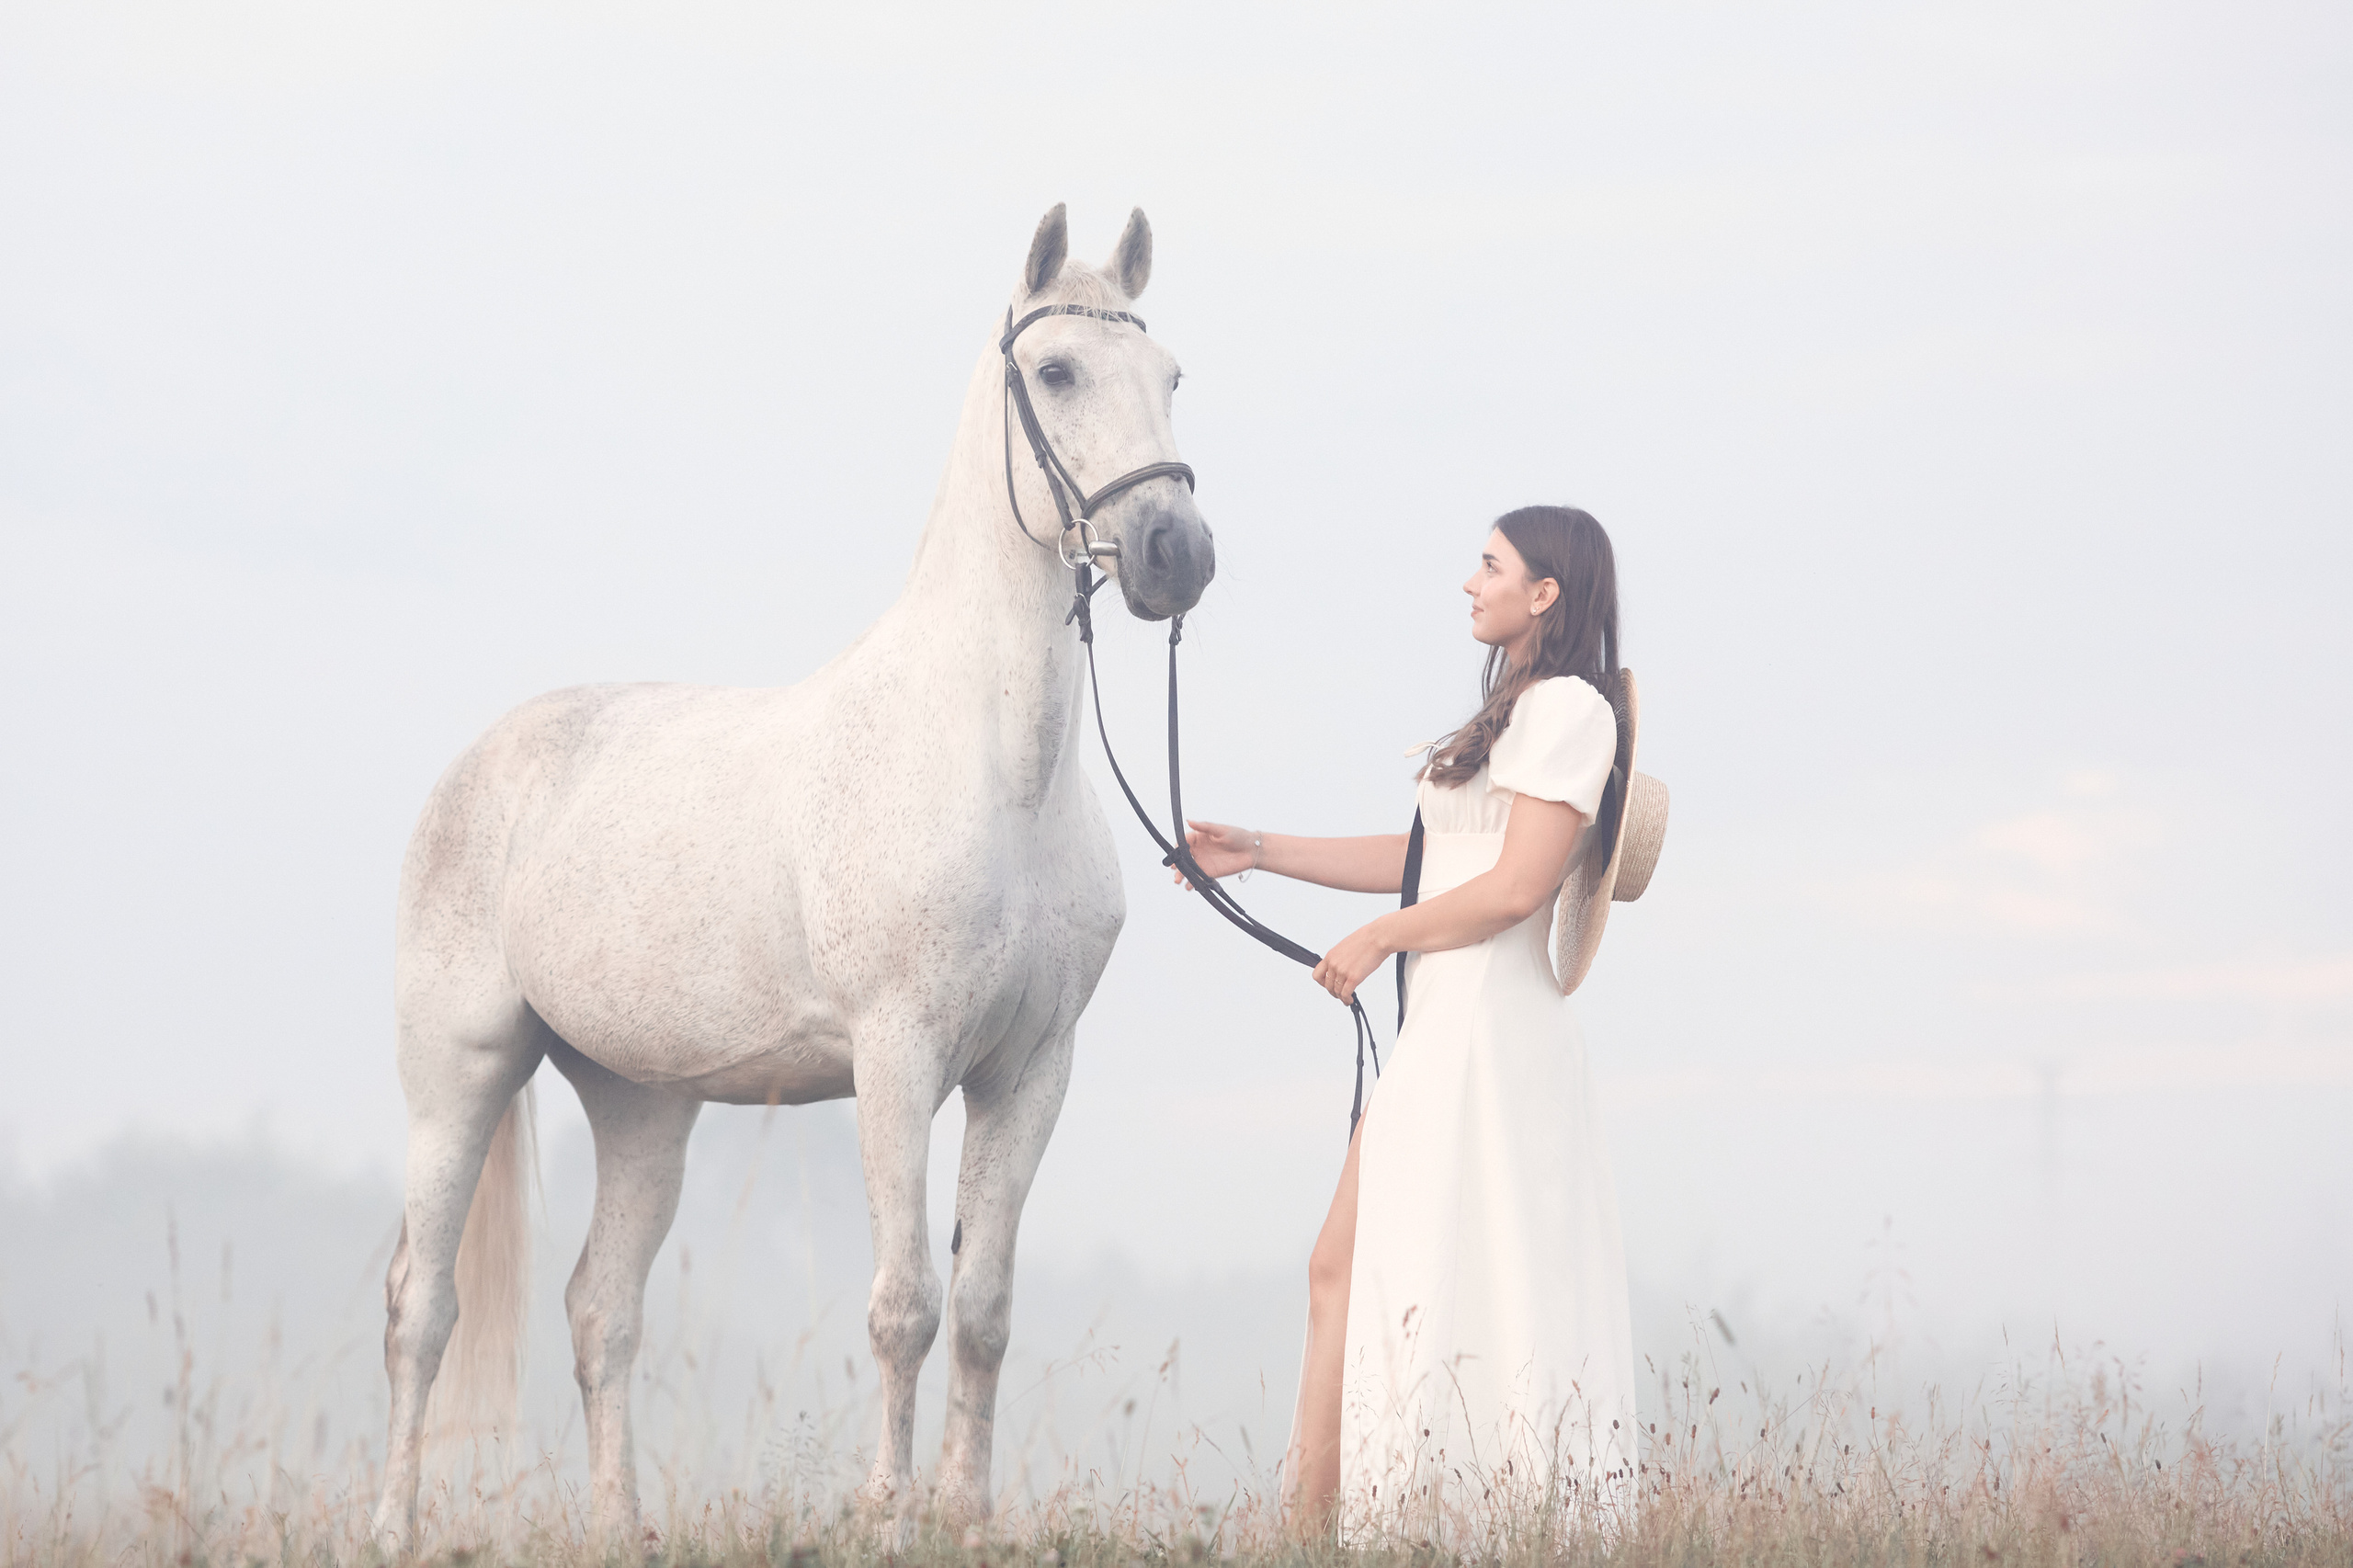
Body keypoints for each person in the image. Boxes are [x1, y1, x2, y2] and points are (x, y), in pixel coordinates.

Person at [1182, 506, 1640, 1540]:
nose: (1470, 583)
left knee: (1452, 1274)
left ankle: (1440, 1522)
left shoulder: (1573, 710)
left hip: (1492, 1035)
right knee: (1341, 1267)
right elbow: (1430, 858)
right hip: (1444, 1024)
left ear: (1545, 592)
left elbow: (1517, 887)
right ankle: (1318, 1532)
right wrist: (1260, 849)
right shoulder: (1516, 710)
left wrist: (1382, 936)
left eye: (1489, 565)